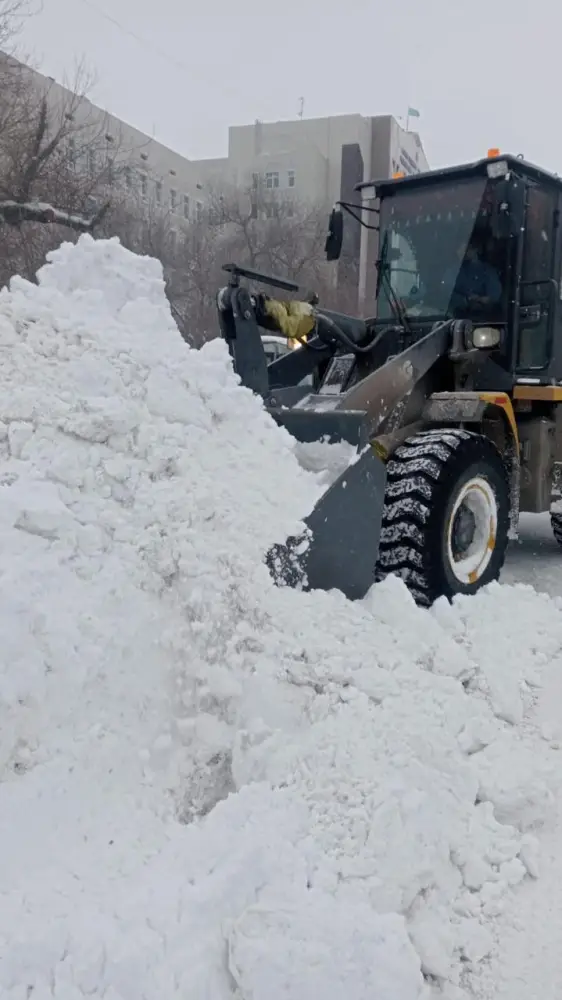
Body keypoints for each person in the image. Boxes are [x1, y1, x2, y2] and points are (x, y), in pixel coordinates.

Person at [445, 241, 502, 314]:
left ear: (476, 250)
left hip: (484, 319)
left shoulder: (488, 271)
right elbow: (446, 294)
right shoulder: (452, 271)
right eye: (459, 250)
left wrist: (482, 300)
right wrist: (465, 300)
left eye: (467, 249)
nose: (461, 253)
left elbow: (494, 296)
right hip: (455, 317)